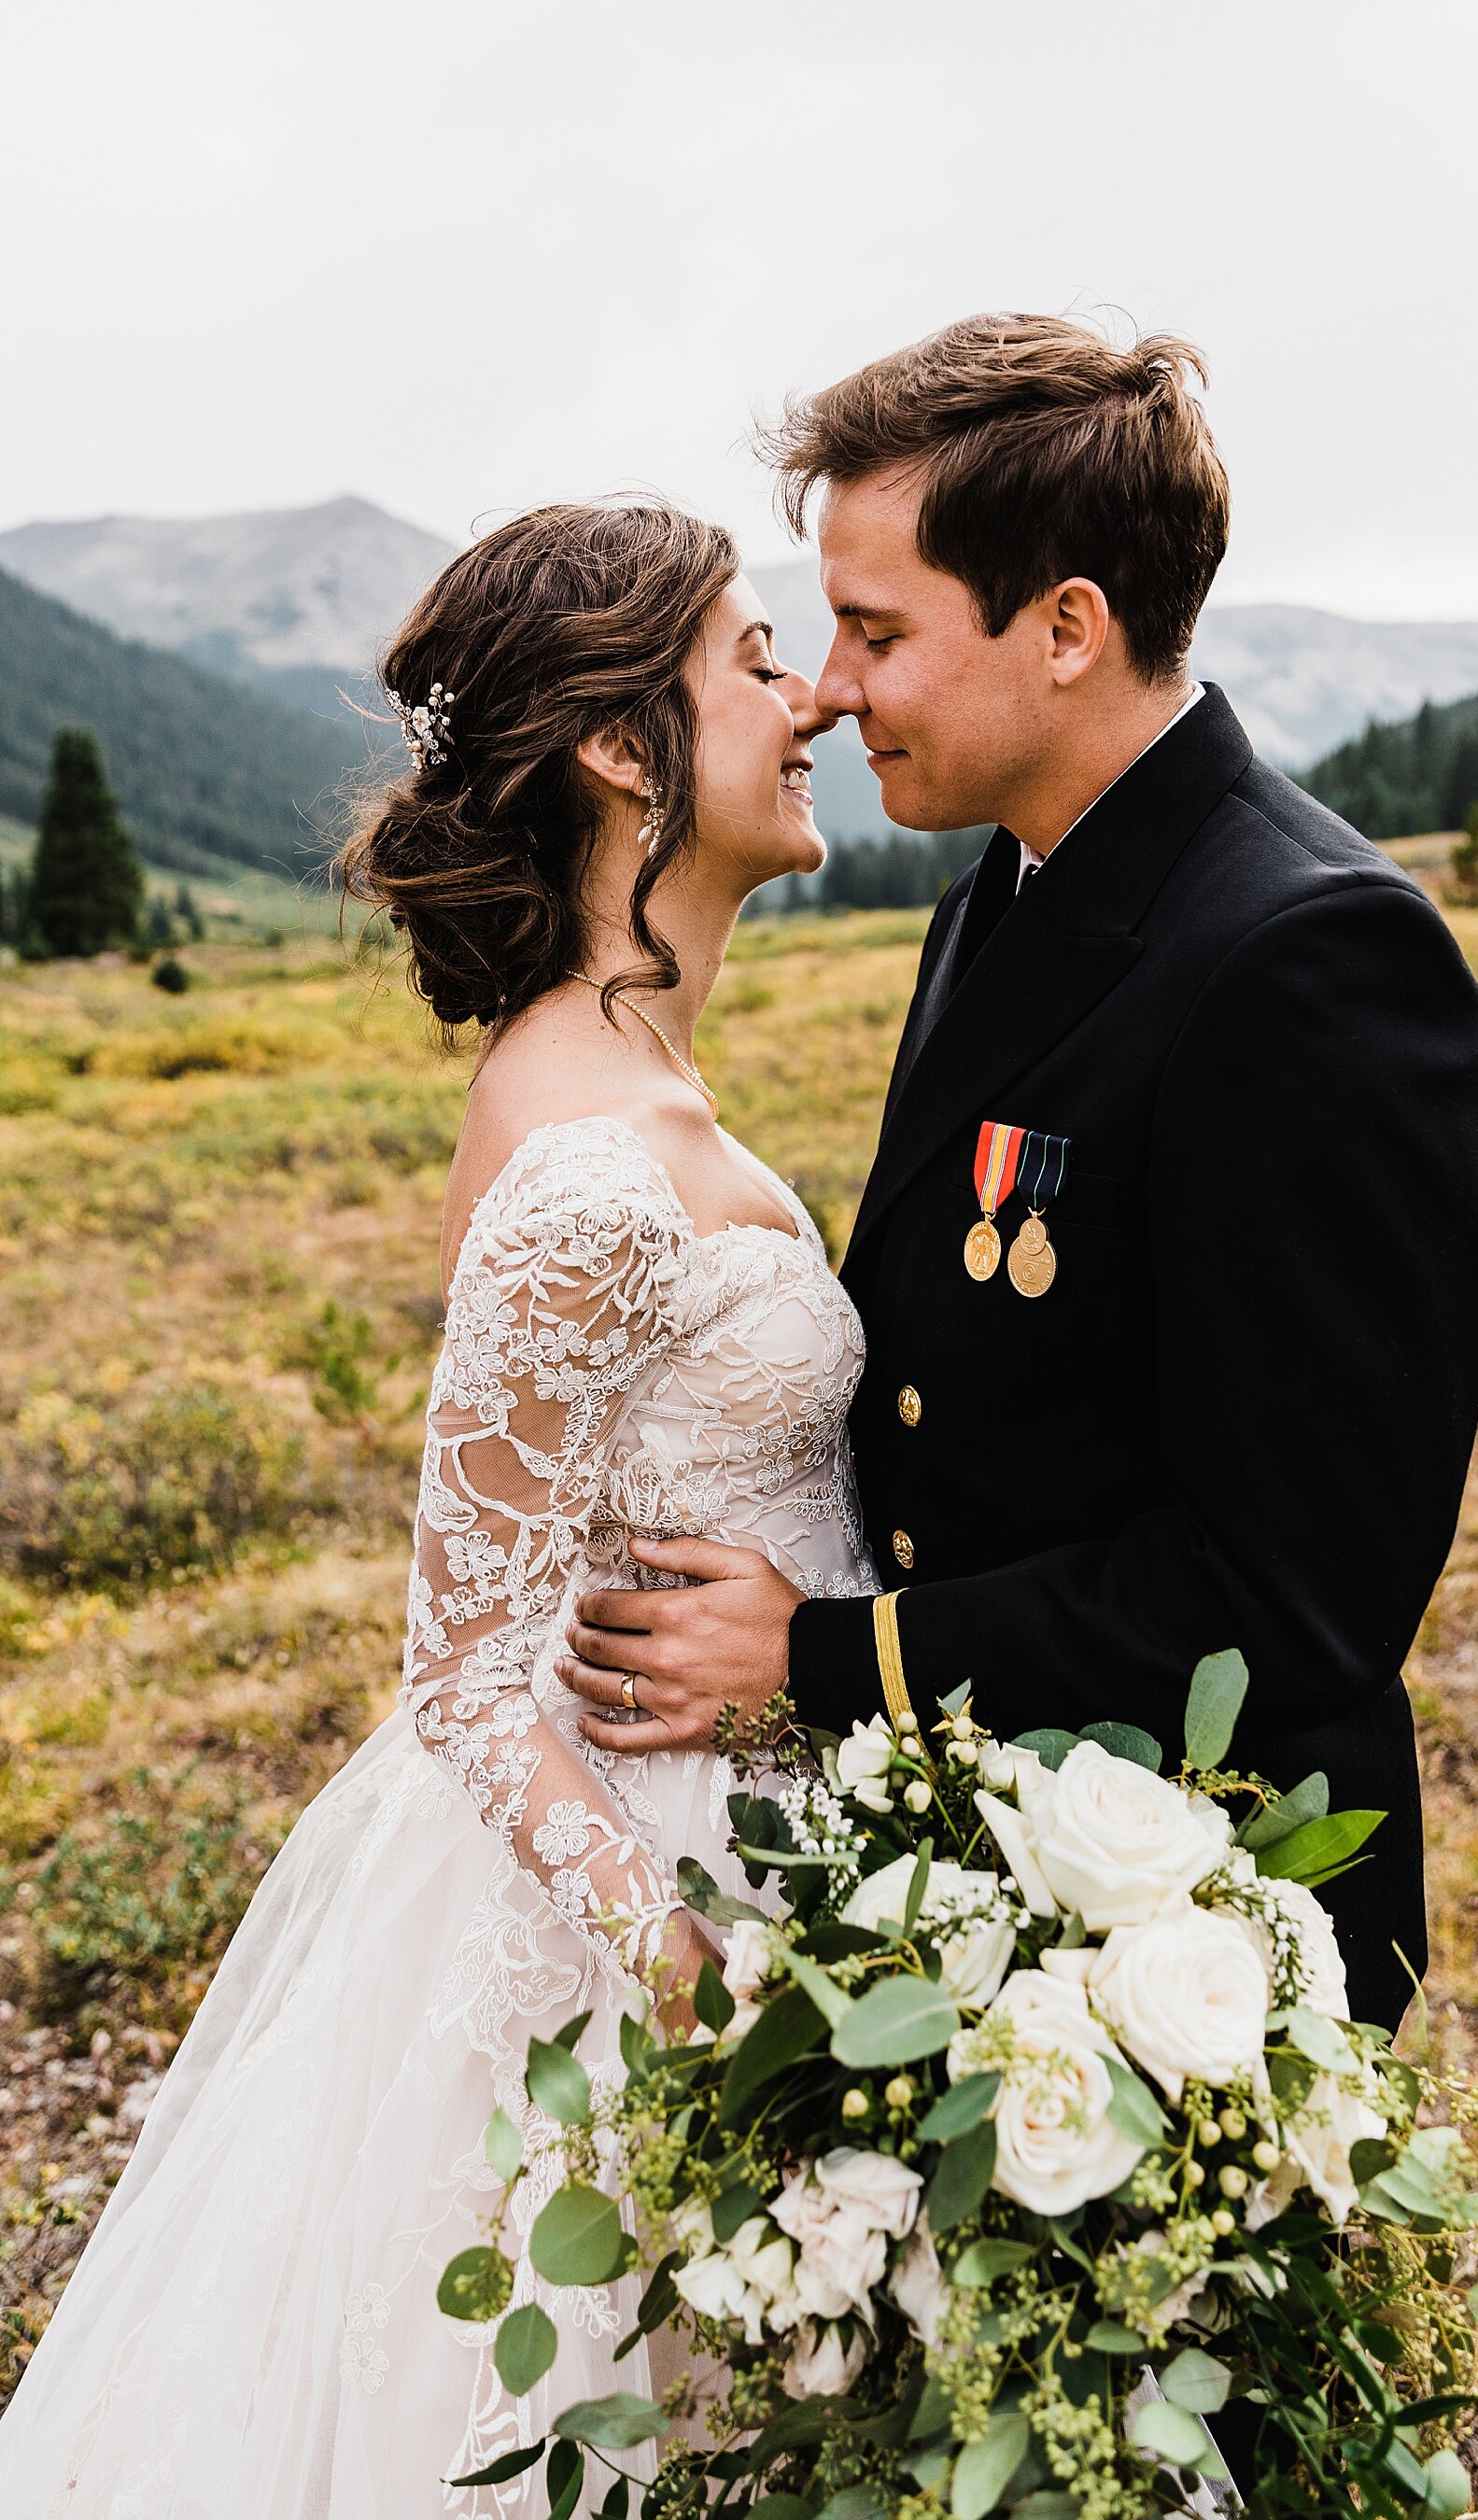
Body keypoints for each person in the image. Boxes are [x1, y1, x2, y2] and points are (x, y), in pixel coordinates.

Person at [0, 501, 876, 2514]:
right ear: (624, 752)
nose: (811, 688)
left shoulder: (637, 1080)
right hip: (632, 1899)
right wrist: (691, 1976)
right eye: (758, 655)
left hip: (742, 1812)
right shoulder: (586, 1159)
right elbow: (467, 1675)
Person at [557, 315, 1478, 2036]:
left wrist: (828, 1662)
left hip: (1200, 1942)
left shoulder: (1314, 961)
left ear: (1068, 626)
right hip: (977, 1883)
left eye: (877, 630)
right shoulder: (995, 901)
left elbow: (1299, 1595)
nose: (832, 688)